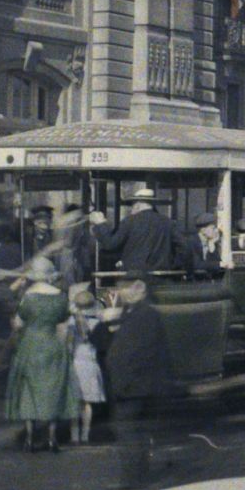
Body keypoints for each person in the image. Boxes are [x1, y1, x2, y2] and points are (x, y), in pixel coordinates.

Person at [3, 254, 80, 452]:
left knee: (28, 392)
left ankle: (29, 438)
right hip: (53, 344)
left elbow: (18, 324)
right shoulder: (61, 297)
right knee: (52, 390)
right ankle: (52, 438)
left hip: (31, 344)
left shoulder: (28, 297)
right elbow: (64, 324)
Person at [104, 276, 171, 422]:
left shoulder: (145, 314)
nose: (124, 292)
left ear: (142, 289)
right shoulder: (131, 311)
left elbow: (138, 352)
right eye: (122, 287)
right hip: (130, 387)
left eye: (129, 287)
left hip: (136, 388)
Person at [95, 186, 186, 274]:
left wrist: (100, 224)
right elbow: (184, 246)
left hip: (134, 277)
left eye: (132, 205)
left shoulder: (130, 221)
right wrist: (173, 266)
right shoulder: (167, 222)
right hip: (161, 275)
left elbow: (110, 244)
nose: (131, 209)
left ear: (137, 205)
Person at [68, 285, 109, 445]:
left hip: (76, 362)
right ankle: (86, 433)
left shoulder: (72, 322)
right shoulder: (97, 322)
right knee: (87, 403)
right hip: (91, 363)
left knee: (75, 402)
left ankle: (74, 434)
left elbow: (69, 344)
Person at [190, 212, 224, 278]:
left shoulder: (212, 242)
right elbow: (197, 265)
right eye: (213, 228)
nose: (216, 231)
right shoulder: (192, 242)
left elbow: (216, 267)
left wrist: (212, 246)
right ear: (203, 230)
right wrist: (219, 264)